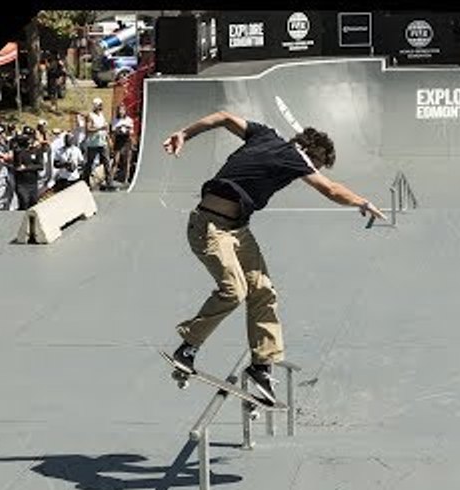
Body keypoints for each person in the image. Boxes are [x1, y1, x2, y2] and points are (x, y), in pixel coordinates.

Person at [162, 110, 386, 405]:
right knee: (234, 291)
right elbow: (329, 189)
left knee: (263, 290)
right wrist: (363, 201)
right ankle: (188, 346)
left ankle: (261, 366)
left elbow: (223, 117)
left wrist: (185, 133)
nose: (312, 171)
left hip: (237, 229)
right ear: (310, 154)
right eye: (316, 165)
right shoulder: (297, 157)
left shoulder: (263, 134)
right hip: (208, 227)